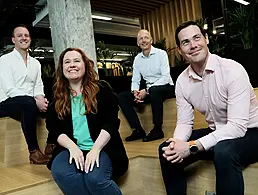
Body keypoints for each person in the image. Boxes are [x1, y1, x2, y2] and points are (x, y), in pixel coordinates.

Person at [158, 20, 258, 195]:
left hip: (251, 132)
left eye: (197, 38)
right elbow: (184, 122)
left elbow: (237, 127)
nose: (193, 45)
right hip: (218, 131)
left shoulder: (232, 70)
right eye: (185, 42)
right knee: (167, 150)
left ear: (206, 39)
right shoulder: (182, 81)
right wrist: (178, 142)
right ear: (180, 50)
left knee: (224, 152)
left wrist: (192, 146)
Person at [46, 48, 128, 195]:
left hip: (103, 147)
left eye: (77, 61)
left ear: (85, 65)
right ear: (62, 68)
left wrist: (95, 150)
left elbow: (111, 123)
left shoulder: (102, 88)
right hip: (72, 148)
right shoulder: (57, 97)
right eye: (67, 62)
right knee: (62, 173)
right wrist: (72, 148)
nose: (72, 65)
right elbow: (54, 130)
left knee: (94, 178)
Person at [0, 24, 52, 164]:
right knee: (27, 103)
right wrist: (35, 100)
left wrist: (40, 97)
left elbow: (38, 84)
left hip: (29, 102)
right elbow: (10, 89)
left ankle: (51, 144)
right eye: (19, 35)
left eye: (26, 35)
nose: (24, 38)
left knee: (53, 104)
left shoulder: (35, 63)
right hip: (7, 102)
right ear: (13, 40)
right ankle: (34, 152)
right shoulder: (4, 60)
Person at [118, 29, 175, 142]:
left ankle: (158, 129)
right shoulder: (137, 59)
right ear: (138, 43)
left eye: (146, 38)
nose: (144, 40)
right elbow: (135, 80)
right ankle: (138, 129)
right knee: (122, 96)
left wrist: (147, 90)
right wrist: (135, 92)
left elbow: (165, 77)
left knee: (154, 90)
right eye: (141, 39)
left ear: (151, 40)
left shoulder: (161, 54)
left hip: (166, 87)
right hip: (151, 91)